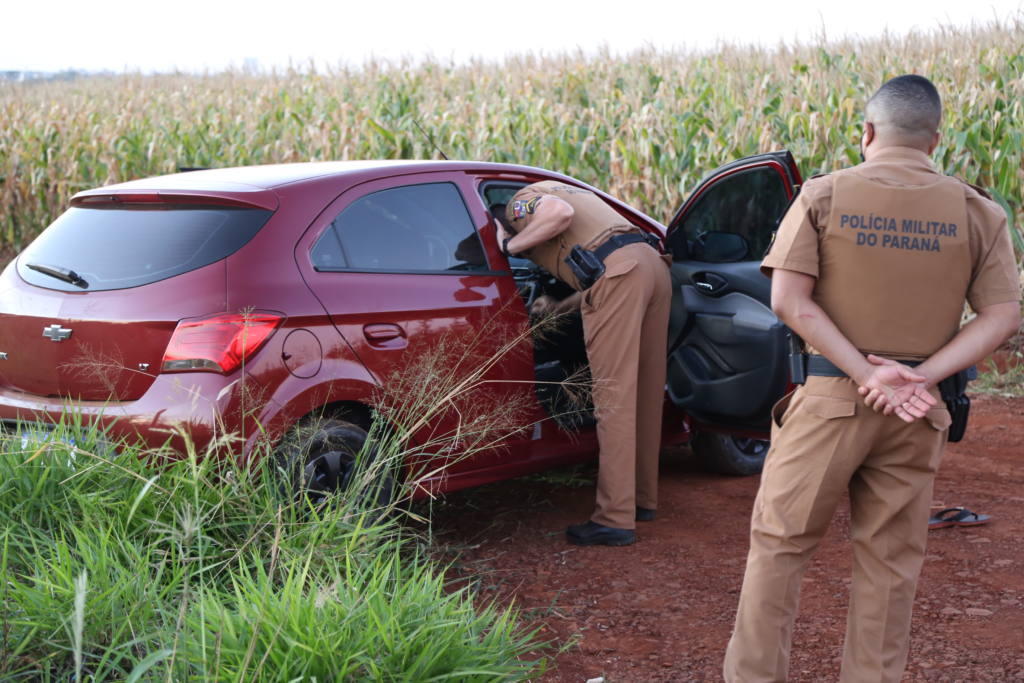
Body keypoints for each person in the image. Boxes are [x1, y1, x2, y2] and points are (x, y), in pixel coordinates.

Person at [723, 74, 1021, 681]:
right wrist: (918, 377)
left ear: (867, 132)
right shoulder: (977, 211)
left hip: (832, 398)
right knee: (891, 567)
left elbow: (788, 300)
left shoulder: (824, 195)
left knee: (780, 548)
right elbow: (1003, 315)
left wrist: (867, 374)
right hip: (918, 409)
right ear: (934, 140)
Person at [496, 180, 672, 546]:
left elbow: (559, 216)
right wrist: (556, 308)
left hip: (620, 275)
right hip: (652, 267)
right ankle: (642, 500)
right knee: (646, 390)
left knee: (613, 399)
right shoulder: (570, 188)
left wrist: (508, 244)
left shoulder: (519, 203)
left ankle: (614, 519)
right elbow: (600, 271)